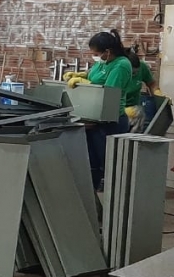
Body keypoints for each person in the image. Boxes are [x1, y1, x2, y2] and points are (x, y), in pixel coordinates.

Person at [64, 29, 132, 191]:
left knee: (106, 164)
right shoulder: (104, 62)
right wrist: (81, 75)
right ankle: (92, 196)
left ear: (107, 52)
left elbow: (108, 91)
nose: (94, 57)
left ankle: (110, 200)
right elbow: (93, 74)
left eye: (96, 53)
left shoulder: (121, 65)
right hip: (94, 118)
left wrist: (83, 83)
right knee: (91, 162)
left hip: (111, 121)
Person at [124, 51, 162, 132]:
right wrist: (122, 111)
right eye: (132, 73)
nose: (135, 75)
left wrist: (158, 95)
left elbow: (152, 84)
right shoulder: (117, 71)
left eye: (136, 72)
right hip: (116, 109)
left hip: (135, 109)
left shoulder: (142, 67)